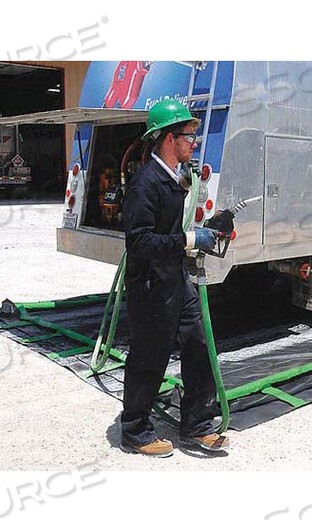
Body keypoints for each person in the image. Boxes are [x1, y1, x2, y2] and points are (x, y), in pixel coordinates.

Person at [119, 98, 229, 456]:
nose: (193, 143)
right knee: (149, 357)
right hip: (151, 285)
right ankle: (135, 430)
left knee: (198, 345)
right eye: (188, 136)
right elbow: (139, 242)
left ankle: (196, 424)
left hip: (176, 278)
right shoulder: (145, 183)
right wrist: (189, 239)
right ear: (169, 138)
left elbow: (170, 229)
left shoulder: (172, 177)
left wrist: (208, 229)